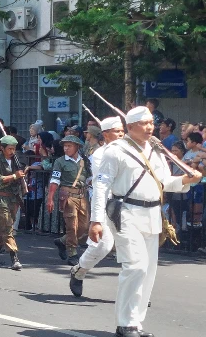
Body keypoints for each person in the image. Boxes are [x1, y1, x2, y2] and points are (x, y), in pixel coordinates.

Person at [91, 106, 200, 337]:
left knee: (148, 270)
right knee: (136, 266)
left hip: (152, 214)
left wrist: (187, 179)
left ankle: (136, 323)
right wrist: (96, 220)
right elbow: (101, 186)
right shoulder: (115, 151)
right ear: (130, 127)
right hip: (125, 212)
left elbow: (165, 182)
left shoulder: (156, 150)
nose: (150, 127)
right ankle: (125, 323)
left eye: (152, 122)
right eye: (144, 123)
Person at [69, 116, 124, 297]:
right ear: (106, 135)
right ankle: (79, 271)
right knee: (103, 246)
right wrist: (98, 219)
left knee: (133, 249)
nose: (122, 135)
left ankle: (136, 290)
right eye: (117, 132)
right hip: (109, 204)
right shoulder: (101, 154)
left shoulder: (132, 152)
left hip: (132, 206)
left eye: (123, 131)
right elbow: (103, 187)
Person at [46, 135, 90, 266]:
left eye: (69, 146)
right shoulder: (60, 161)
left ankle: (62, 241)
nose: (66, 148)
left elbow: (89, 177)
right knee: (72, 226)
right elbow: (54, 181)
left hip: (82, 196)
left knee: (84, 227)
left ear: (77, 147)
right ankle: (72, 253)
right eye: (64, 146)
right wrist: (50, 198)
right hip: (68, 197)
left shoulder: (84, 161)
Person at [0, 135, 24, 270]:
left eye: (14, 148)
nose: (12, 151)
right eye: (9, 149)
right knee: (8, 228)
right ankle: (14, 257)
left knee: (3, 227)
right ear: (2, 148)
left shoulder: (16, 160)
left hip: (13, 198)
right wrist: (14, 176)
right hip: (1, 197)